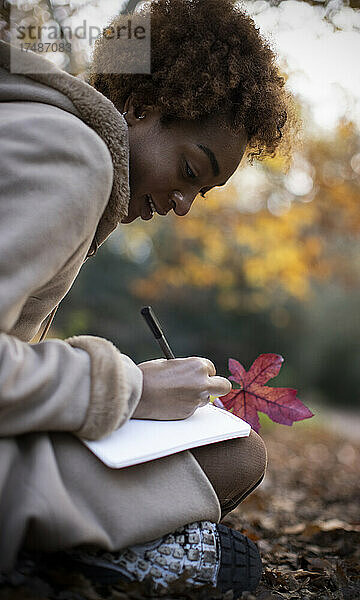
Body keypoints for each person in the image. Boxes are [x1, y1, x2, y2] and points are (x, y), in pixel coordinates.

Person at [0, 0, 293, 595]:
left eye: (201, 194)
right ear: (139, 107)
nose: (182, 206)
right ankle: (81, 553)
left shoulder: (41, 132)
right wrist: (132, 389)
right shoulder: (75, 158)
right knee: (235, 457)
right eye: (189, 170)